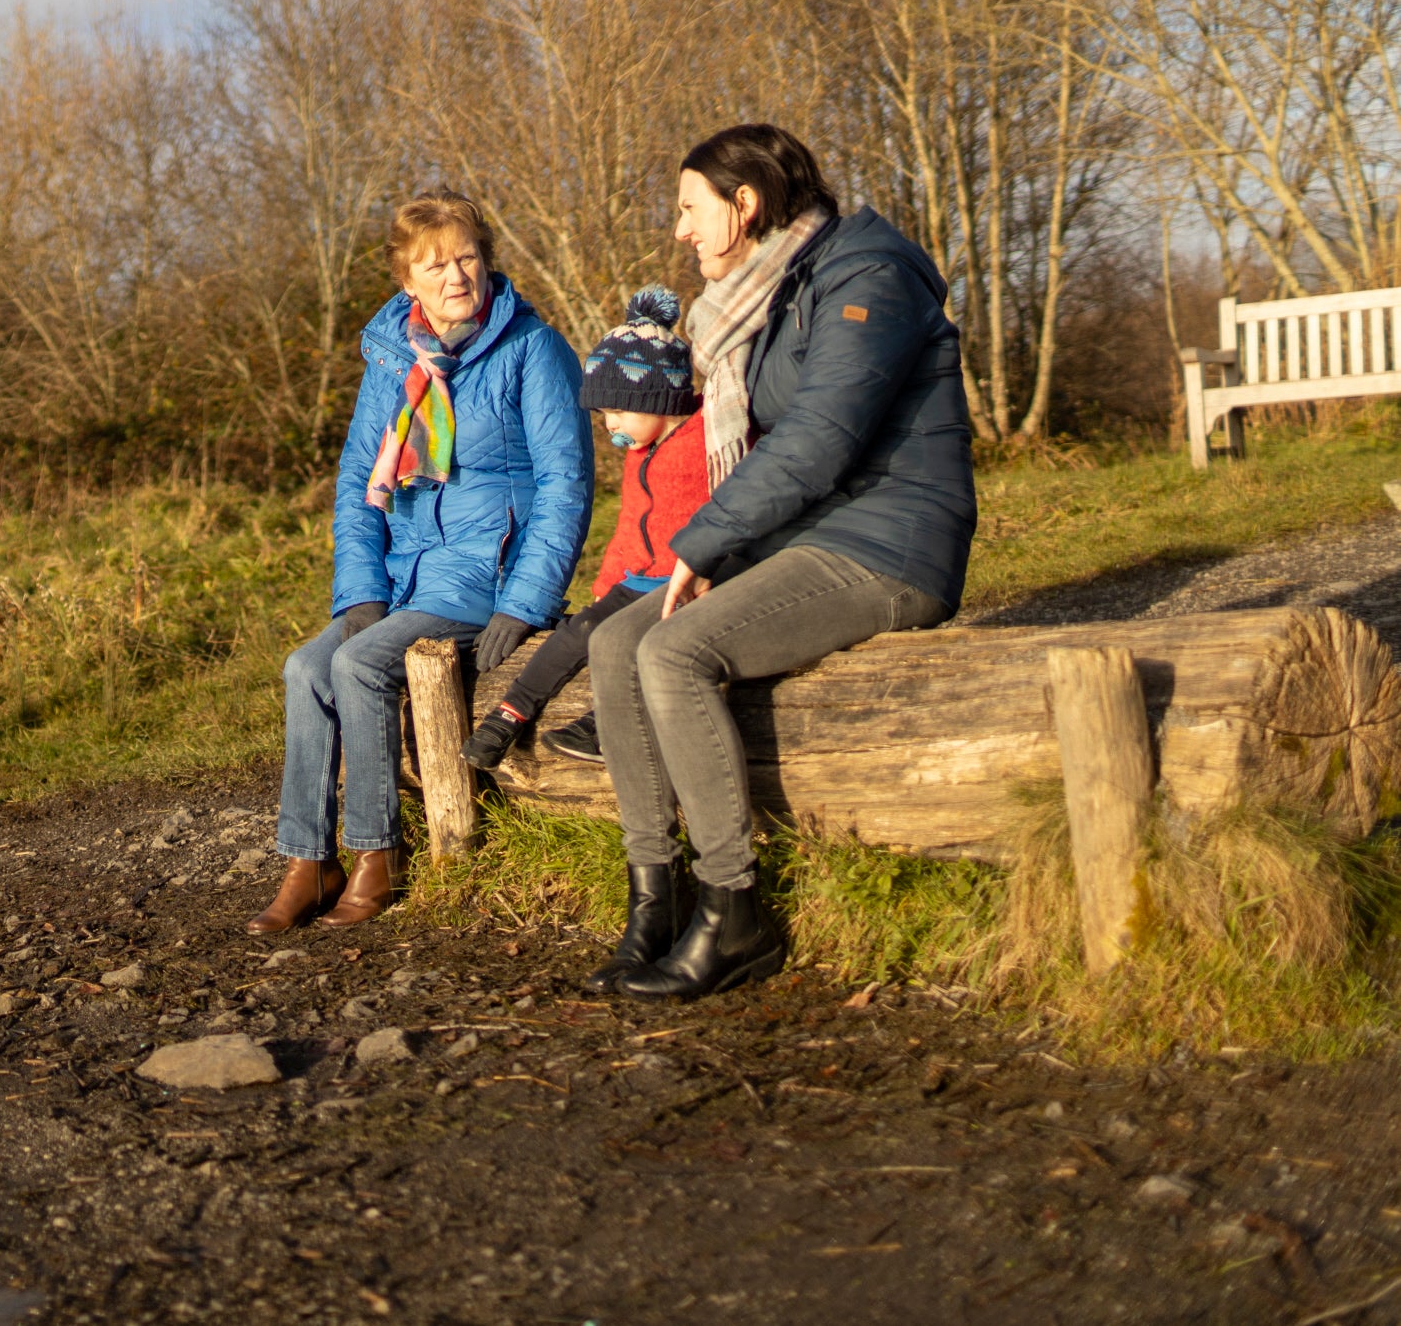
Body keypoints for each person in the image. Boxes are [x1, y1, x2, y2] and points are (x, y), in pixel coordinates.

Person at [584, 124, 976, 998]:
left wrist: (703, 542)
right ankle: (655, 894)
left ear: (746, 205)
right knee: (615, 643)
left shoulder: (868, 274)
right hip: (813, 539)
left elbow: (820, 438)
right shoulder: (776, 292)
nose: (681, 229)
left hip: (890, 543)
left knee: (674, 649)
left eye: (691, 208)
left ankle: (735, 914)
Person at [251, 191, 593, 933]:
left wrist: (524, 601)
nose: (455, 275)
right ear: (408, 279)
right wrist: (360, 592)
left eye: (467, 256)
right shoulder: (392, 358)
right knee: (306, 667)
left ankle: (379, 853)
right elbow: (356, 484)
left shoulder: (533, 348)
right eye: (435, 264)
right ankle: (310, 860)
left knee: (360, 664)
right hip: (406, 572)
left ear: (487, 259)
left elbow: (567, 484)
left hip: (485, 571)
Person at [461, 286, 710, 773]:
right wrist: (605, 586)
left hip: (686, 580)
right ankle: (509, 713)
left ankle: (607, 721)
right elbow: (628, 527)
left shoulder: (704, 438)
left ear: (657, 398)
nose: (609, 424)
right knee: (578, 631)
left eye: (618, 411)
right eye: (603, 414)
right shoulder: (642, 452)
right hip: (639, 579)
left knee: (633, 642)